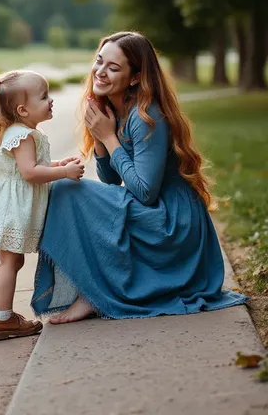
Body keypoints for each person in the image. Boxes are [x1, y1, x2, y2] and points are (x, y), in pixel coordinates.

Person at [31, 32, 247, 323]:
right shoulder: (112, 108)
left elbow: (146, 192)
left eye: (113, 68)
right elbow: (111, 183)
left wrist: (109, 138)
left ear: (135, 78)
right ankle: (93, 290)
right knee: (67, 188)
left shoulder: (148, 115)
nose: (100, 72)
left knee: (66, 190)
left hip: (173, 221)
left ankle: (92, 293)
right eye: (99, 62)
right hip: (155, 212)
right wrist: (99, 139)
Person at [0, 70, 84, 341]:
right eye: (44, 97)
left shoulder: (21, 132)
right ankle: (4, 319)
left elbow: (29, 168)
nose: (51, 100)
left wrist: (58, 165)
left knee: (9, 261)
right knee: (11, 263)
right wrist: (64, 174)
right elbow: (29, 172)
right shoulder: (23, 135)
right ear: (22, 109)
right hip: (10, 208)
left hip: (6, 204)